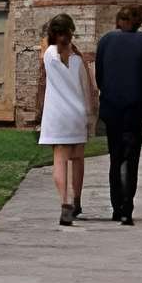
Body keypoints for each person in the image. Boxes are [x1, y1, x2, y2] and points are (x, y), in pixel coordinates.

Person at [95, 2, 142, 225]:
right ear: (139, 21)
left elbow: (100, 77)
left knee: (115, 157)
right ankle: (127, 208)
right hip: (136, 107)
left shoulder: (105, 41)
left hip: (112, 106)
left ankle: (116, 206)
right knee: (131, 157)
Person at [33, 12, 97, 227]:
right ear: (71, 32)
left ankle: (65, 204)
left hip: (56, 114)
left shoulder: (48, 54)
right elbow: (87, 90)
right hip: (76, 113)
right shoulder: (78, 60)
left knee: (59, 161)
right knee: (78, 159)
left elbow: (47, 48)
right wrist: (89, 114)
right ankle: (77, 200)